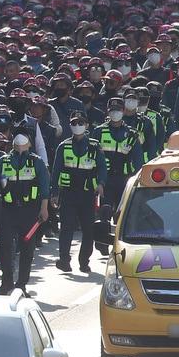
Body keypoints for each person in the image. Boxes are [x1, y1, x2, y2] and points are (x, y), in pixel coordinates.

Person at [0, 133, 51, 292]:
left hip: (29, 211)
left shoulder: (37, 162)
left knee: (27, 250)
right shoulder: (3, 161)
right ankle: (6, 283)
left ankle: (22, 285)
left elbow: (44, 186)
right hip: (8, 211)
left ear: (30, 144)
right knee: (5, 247)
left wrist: (44, 208)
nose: (20, 140)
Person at [53, 113, 104, 273]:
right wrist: (54, 192)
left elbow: (102, 168)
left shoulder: (95, 147)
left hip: (87, 194)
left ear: (87, 125)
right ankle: (64, 260)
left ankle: (84, 261)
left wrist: (101, 184)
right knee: (66, 228)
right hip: (68, 194)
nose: (77, 125)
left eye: (81, 122)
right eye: (74, 122)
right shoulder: (64, 146)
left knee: (88, 230)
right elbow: (56, 171)